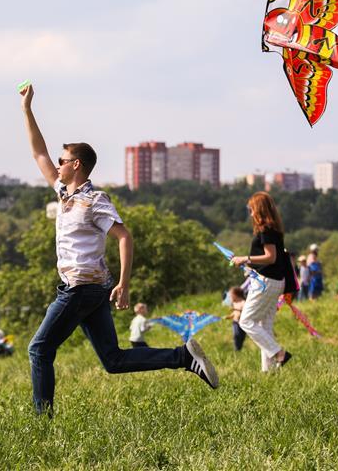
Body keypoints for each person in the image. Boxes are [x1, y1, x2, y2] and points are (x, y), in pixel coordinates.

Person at [19, 84, 219, 415]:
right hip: (92, 289)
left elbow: (124, 236)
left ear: (76, 165)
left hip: (81, 289)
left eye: (62, 160)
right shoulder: (64, 193)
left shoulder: (94, 200)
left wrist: (124, 284)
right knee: (113, 360)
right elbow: (38, 154)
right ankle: (184, 357)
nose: (57, 164)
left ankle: (42, 421)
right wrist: (27, 109)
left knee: (39, 350)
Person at [230, 192, 292, 372]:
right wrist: (249, 266)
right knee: (264, 326)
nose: (250, 213)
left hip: (266, 283)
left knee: (246, 321)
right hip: (274, 282)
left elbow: (270, 257)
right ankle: (269, 371)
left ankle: (279, 353)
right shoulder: (274, 229)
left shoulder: (265, 230)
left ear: (258, 209)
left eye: (251, 209)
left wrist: (245, 259)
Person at [224, 286, 246, 351]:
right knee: (236, 335)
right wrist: (229, 316)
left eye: (231, 295)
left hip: (242, 323)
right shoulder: (234, 303)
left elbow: (245, 311)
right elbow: (234, 313)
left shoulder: (243, 302)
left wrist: (236, 309)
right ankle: (236, 348)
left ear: (236, 295)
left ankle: (239, 348)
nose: (230, 297)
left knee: (241, 336)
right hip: (235, 322)